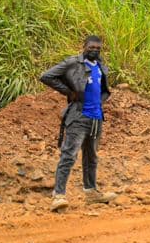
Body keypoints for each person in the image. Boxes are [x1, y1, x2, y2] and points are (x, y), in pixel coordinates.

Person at [39, 35, 118, 212]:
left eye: (98, 48)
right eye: (91, 47)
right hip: (78, 116)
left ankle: (91, 193)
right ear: (84, 47)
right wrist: (68, 92)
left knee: (92, 156)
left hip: (96, 117)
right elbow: (46, 76)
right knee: (69, 155)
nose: (95, 50)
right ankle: (58, 196)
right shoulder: (72, 63)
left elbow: (103, 90)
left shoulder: (100, 66)